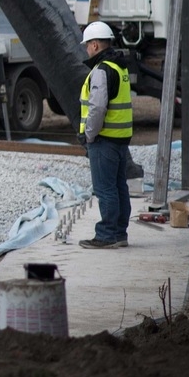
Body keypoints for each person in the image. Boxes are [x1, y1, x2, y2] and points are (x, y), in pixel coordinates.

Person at [78, 21, 133, 249]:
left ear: (95, 44)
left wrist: (89, 135)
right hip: (120, 139)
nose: (86, 50)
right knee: (120, 187)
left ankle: (107, 235)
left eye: (87, 45)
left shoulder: (101, 71)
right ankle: (119, 233)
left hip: (104, 139)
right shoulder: (120, 68)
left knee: (105, 189)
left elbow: (97, 108)